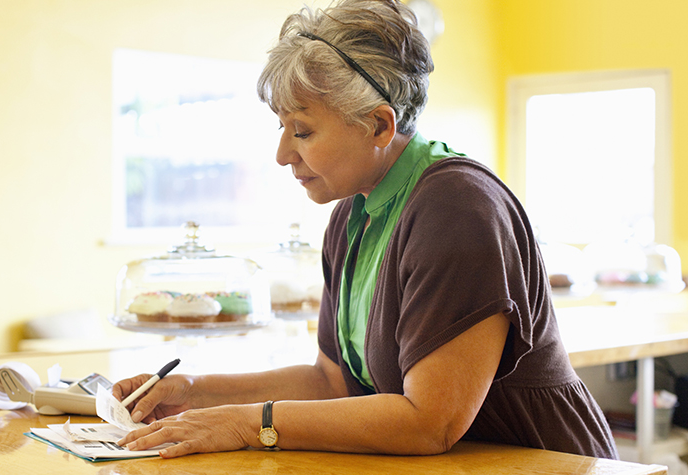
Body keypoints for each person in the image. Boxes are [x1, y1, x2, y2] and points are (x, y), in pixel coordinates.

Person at [114, 0, 618, 459]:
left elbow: (429, 423)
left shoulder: (456, 207)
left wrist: (249, 424)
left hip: (546, 462)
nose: (283, 155)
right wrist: (193, 392)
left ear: (379, 125)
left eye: (303, 131)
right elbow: (332, 381)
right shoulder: (352, 215)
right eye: (283, 128)